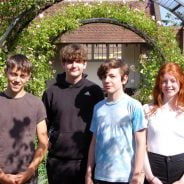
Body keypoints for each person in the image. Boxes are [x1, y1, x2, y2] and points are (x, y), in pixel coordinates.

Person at [42, 44, 104, 184]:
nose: (74, 65)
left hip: (87, 161)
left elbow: (101, 124)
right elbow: (43, 125)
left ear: (84, 64)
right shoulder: (51, 92)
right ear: (63, 64)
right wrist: (49, 143)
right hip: (58, 162)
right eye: (69, 61)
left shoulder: (94, 91)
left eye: (78, 61)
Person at [85, 59, 146, 184]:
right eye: (104, 76)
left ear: (124, 79)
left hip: (126, 177)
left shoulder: (134, 106)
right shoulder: (98, 108)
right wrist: (89, 172)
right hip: (100, 176)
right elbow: (94, 142)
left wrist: (137, 174)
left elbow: (141, 143)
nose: (107, 80)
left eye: (112, 76)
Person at [0, 54, 48, 184]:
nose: (17, 79)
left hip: (27, 176)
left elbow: (43, 143)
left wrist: (30, 171)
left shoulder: (36, 104)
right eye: (13, 74)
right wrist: (2, 176)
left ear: (29, 77)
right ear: (6, 72)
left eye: (22, 76)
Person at [143, 62, 184, 184]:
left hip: (180, 170)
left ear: (180, 83)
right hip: (154, 169)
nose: (168, 85)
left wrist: (182, 180)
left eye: (173, 80)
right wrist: (150, 177)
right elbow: (140, 146)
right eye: (164, 81)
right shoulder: (147, 110)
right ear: (159, 84)